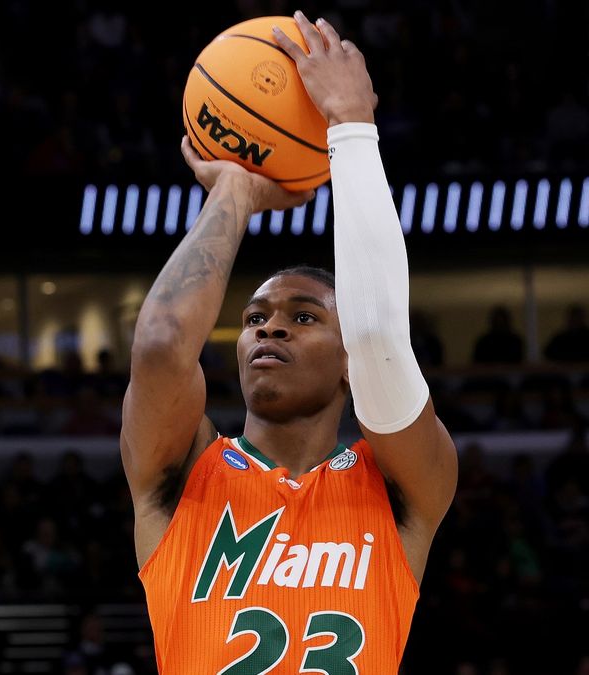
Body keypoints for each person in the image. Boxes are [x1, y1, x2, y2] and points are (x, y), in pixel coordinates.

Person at [122, 14, 456, 673]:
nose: (269, 327)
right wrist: (235, 192)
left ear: (347, 368)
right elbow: (162, 344)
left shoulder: (401, 484)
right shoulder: (184, 474)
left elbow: (377, 333)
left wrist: (353, 125)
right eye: (254, 317)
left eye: (303, 317)